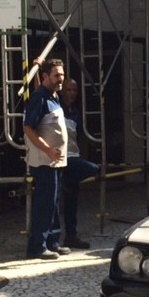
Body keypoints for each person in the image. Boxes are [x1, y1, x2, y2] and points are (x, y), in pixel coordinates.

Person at [23, 58, 71, 259]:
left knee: (53, 202)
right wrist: (49, 150)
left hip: (55, 161)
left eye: (62, 74)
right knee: (45, 203)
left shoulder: (52, 95)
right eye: (56, 75)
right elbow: (28, 127)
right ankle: (38, 245)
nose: (61, 79)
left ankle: (52, 241)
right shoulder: (40, 97)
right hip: (44, 161)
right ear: (45, 77)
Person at [59, 78, 98, 249]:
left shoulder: (75, 110)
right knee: (94, 169)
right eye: (68, 90)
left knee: (71, 201)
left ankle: (71, 235)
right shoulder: (55, 105)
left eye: (74, 90)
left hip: (73, 154)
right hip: (62, 156)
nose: (72, 93)